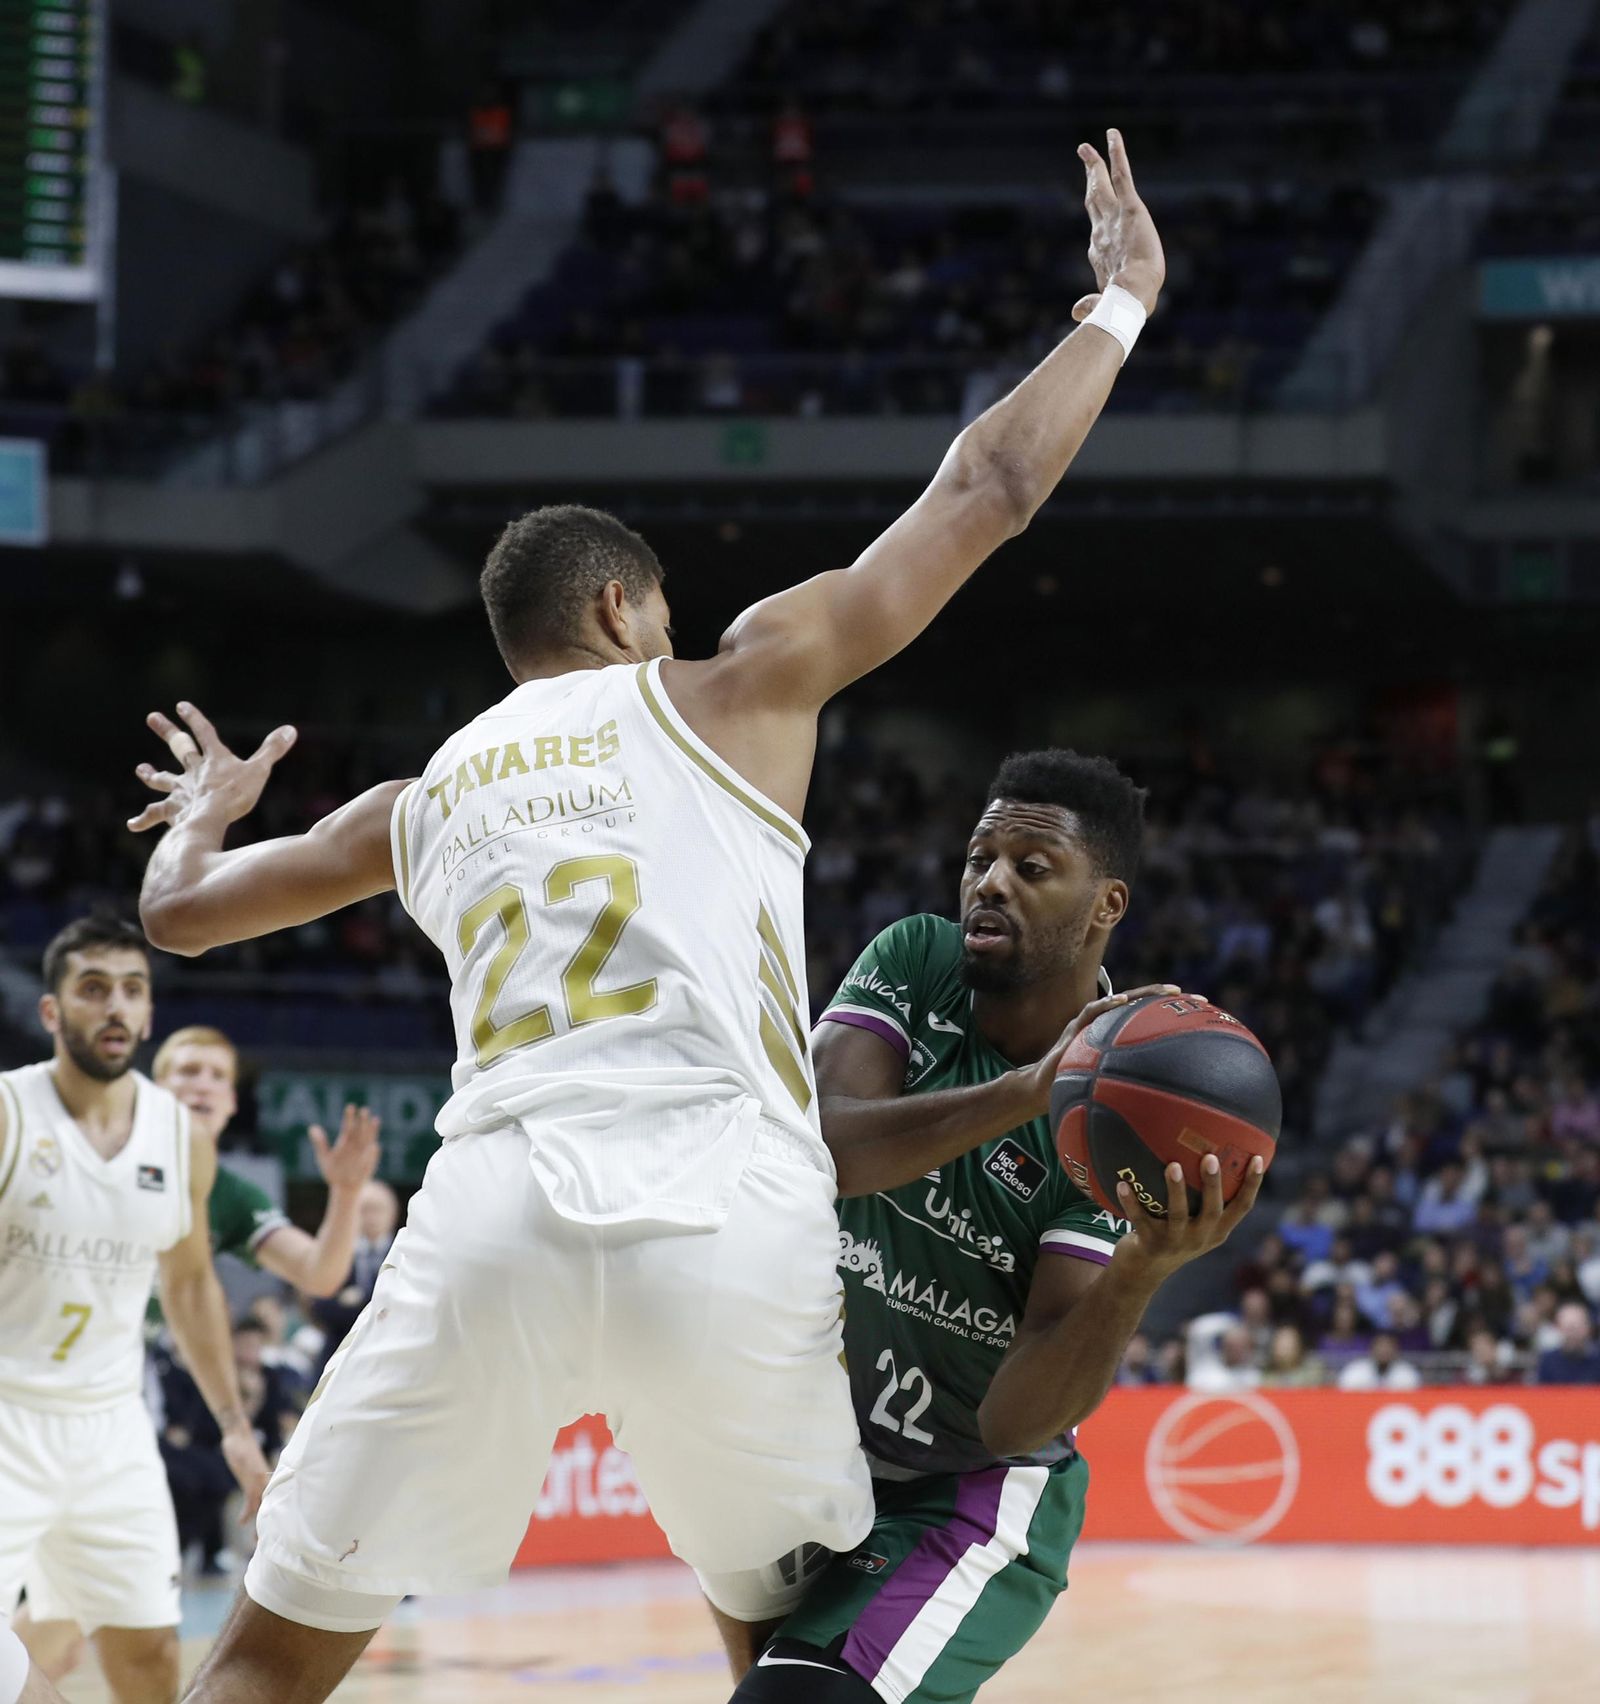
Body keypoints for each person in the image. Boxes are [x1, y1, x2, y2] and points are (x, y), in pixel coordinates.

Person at [127, 130, 1166, 1703]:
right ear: (624, 610)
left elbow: (183, 921)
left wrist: (202, 817)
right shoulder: (726, 685)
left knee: (269, 1658)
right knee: (793, 1652)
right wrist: (1118, 308)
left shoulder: (419, 799)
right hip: (727, 1219)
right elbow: (991, 486)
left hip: (491, 1217)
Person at [727, 750, 1263, 1701]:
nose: (990, 882)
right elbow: (825, 1150)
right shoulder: (918, 957)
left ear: (1107, 906)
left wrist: (1140, 1270)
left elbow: (1014, 1421)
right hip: (812, 1454)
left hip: (969, 1495)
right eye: (981, 857)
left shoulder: (1119, 1128)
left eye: (1031, 867)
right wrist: (1025, 1093)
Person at [0, 917, 272, 1704]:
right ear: (51, 1013)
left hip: (112, 1427)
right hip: (9, 1415)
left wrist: (233, 1426)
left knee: (152, 1653)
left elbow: (189, 1285)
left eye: (131, 990)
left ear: (149, 1013)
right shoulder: (12, 1114)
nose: (115, 1008)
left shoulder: (180, 1137)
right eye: (92, 990)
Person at [152, 1027, 382, 1300]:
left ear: (232, 1102)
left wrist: (346, 1193)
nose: (204, 1086)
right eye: (189, 1071)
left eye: (218, 1076)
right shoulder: (114, 1152)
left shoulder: (232, 1194)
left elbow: (319, 1275)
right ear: (155, 1090)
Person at [308, 1181, 399, 1370]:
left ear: (392, 1213)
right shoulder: (336, 1252)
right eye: (365, 1210)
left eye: (377, 1210)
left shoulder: (406, 1253)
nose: (371, 1217)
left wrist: (356, 1300)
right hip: (340, 1355)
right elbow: (320, 1306)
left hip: (390, 1356)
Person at [1337, 1330, 1422, 1391]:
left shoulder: (1407, 1375)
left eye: (1388, 1346)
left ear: (1396, 1350)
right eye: (1380, 1345)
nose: (1384, 1350)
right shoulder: (1354, 1372)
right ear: (1372, 1348)